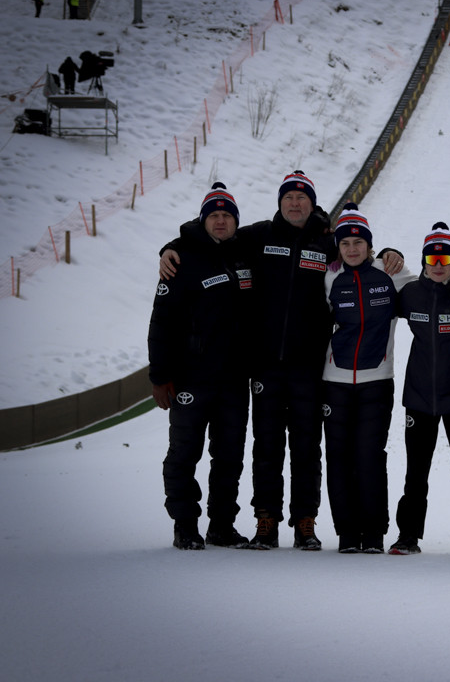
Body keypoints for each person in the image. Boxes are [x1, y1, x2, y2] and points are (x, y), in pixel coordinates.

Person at [159, 172, 405, 552]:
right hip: (264, 365)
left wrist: (391, 252)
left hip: (310, 366)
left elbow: (360, 252)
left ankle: (305, 521)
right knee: (266, 445)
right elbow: (210, 238)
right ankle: (266, 520)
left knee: (307, 446)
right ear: (279, 202)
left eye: (301, 198)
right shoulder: (257, 235)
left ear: (312, 203)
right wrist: (170, 246)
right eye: (288, 197)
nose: (294, 203)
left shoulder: (327, 242)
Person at [148, 183, 254, 551]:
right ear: (203, 219)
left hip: (235, 379)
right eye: (215, 215)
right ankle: (185, 525)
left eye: (227, 215)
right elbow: (161, 322)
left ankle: (221, 525)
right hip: (192, 376)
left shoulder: (244, 251)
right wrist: (159, 376)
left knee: (229, 457)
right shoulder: (181, 258)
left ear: (235, 221)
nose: (221, 221)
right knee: (184, 453)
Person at [322, 204, 416, 553]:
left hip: (377, 378)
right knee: (338, 455)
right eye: (345, 243)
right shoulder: (330, 276)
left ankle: (374, 533)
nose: (351, 249)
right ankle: (347, 533)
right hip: (335, 379)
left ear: (370, 245)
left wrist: (396, 254)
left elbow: (430, 285)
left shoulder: (389, 272)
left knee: (370, 454)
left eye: (358, 242)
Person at [391, 223, 450, 556]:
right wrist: (389, 253)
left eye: (444, 258)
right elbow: (379, 280)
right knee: (415, 473)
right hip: (419, 398)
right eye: (431, 258)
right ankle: (408, 537)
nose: (437, 264)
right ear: (423, 261)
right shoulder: (411, 293)